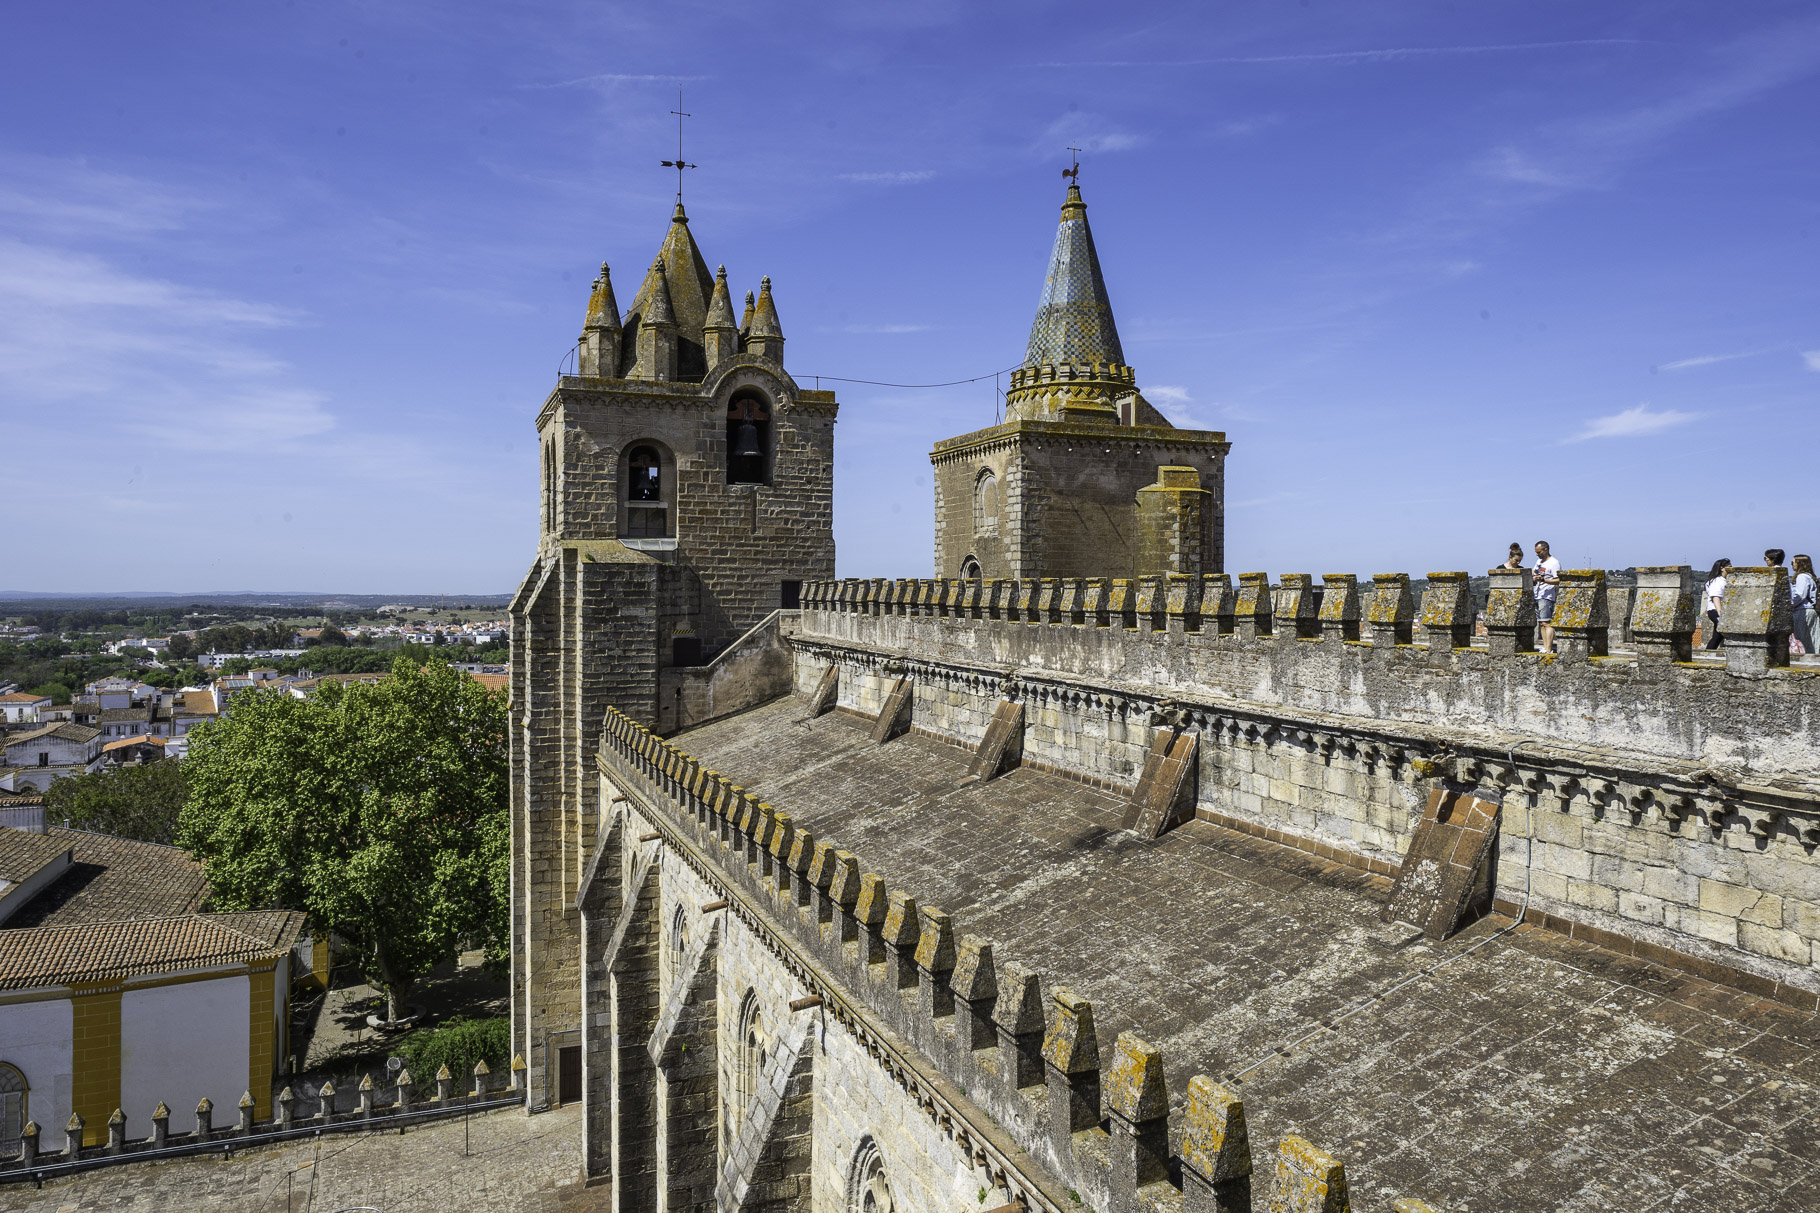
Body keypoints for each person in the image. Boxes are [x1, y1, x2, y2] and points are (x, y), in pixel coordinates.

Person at [1533, 540, 1561, 652]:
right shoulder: (1539, 561)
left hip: (1547, 596)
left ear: (1546, 550)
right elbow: (1534, 571)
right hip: (1537, 594)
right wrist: (1535, 575)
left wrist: (1544, 580)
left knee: (1547, 623)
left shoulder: (1554, 563)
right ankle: (1545, 647)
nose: (1537, 554)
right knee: (1541, 623)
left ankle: (1548, 649)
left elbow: (1558, 580)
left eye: (1539, 552)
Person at [1703, 558, 1731, 650]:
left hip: (1717, 610)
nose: (1731, 569)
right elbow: (1715, 597)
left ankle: (1709, 653)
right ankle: (1708, 653)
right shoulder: (1717, 581)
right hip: (1715, 610)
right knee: (1722, 632)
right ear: (1722, 568)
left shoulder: (1721, 580)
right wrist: (1719, 611)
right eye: (1729, 567)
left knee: (1717, 636)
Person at [1792, 555, 1817, 656]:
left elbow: (1800, 595)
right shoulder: (1810, 576)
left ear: (1799, 563)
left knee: (1802, 640)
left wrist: (1790, 605)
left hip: (1803, 611)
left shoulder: (1802, 577)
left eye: (1793, 562)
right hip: (1810, 609)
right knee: (1812, 638)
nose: (1792, 565)